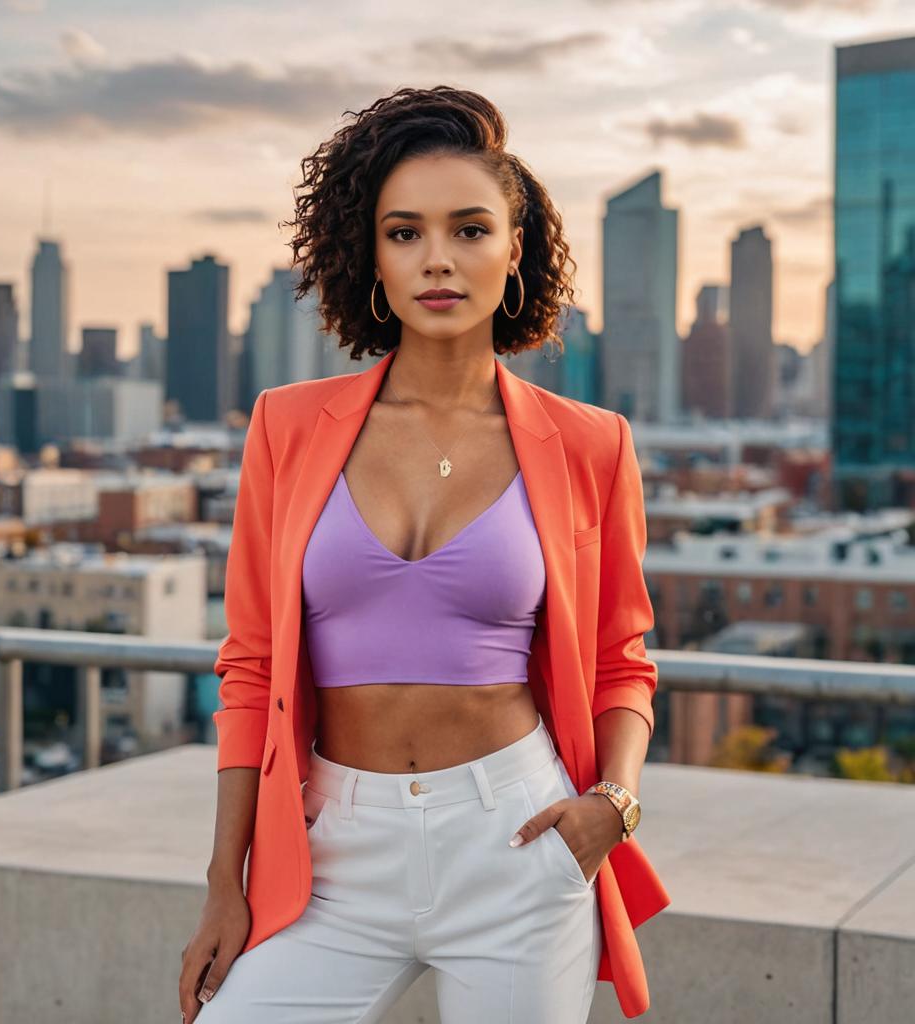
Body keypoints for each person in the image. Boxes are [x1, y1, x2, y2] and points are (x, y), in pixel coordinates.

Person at [179, 85, 669, 1024]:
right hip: (331, 853)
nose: (437, 259)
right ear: (370, 252)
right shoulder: (287, 427)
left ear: (514, 248)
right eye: (404, 232)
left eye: (470, 229)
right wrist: (224, 880)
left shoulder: (591, 442)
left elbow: (622, 661)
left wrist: (614, 802)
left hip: (518, 842)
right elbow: (247, 671)